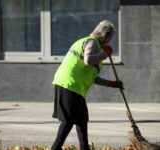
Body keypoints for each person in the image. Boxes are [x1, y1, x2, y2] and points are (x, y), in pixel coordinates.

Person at [51, 20, 124, 150]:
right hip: (68, 83)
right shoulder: (91, 42)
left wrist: (111, 84)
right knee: (68, 121)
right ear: (106, 36)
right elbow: (88, 60)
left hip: (76, 88)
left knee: (81, 121)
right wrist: (104, 54)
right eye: (111, 37)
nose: (110, 40)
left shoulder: (98, 48)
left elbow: (92, 77)